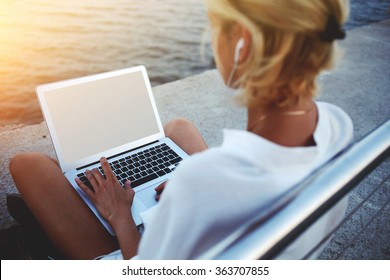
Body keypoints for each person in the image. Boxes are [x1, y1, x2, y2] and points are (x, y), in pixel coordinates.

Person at [9, 0, 352, 260]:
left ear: (242, 43)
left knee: (29, 164)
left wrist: (121, 216)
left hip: (136, 255)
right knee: (177, 127)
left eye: (215, 26)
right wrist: (202, 189)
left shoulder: (202, 181)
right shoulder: (335, 124)